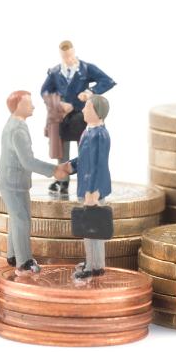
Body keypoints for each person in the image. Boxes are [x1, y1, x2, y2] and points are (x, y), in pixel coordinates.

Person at [0, 90, 62, 273]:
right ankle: (24, 261)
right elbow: (28, 162)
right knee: (22, 219)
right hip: (13, 181)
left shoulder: (15, 123)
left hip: (12, 179)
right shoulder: (18, 129)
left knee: (17, 218)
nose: (33, 106)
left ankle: (13, 255)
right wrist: (54, 170)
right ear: (17, 106)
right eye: (28, 103)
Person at [40, 40, 116, 194]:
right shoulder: (55, 72)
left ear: (74, 52)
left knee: (84, 148)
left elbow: (108, 81)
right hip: (63, 117)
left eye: (70, 56)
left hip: (82, 116)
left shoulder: (86, 68)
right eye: (64, 57)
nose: (68, 60)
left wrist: (91, 92)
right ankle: (62, 181)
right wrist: (59, 104)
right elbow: (45, 91)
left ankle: (86, 178)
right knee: (62, 150)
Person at [55, 95, 112, 280]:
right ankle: (94, 263)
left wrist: (92, 192)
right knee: (91, 230)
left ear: (97, 111)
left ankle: (93, 266)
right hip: (86, 187)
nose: (84, 110)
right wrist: (69, 167)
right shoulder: (89, 131)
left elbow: (98, 165)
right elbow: (85, 159)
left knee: (93, 230)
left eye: (87, 107)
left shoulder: (100, 135)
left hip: (92, 190)